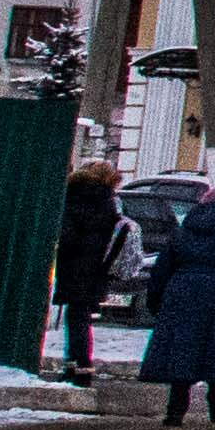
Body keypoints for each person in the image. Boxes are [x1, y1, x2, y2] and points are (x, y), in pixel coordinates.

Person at [139, 184, 215, 424]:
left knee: (182, 347)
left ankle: (176, 409)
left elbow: (163, 269)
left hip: (182, 291)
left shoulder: (184, 230)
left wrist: (155, 300)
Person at [56, 160, 128, 384]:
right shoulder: (108, 202)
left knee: (75, 317)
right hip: (96, 268)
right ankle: (79, 367)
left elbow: (66, 235)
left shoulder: (75, 197)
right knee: (80, 317)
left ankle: (77, 368)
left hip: (74, 265)